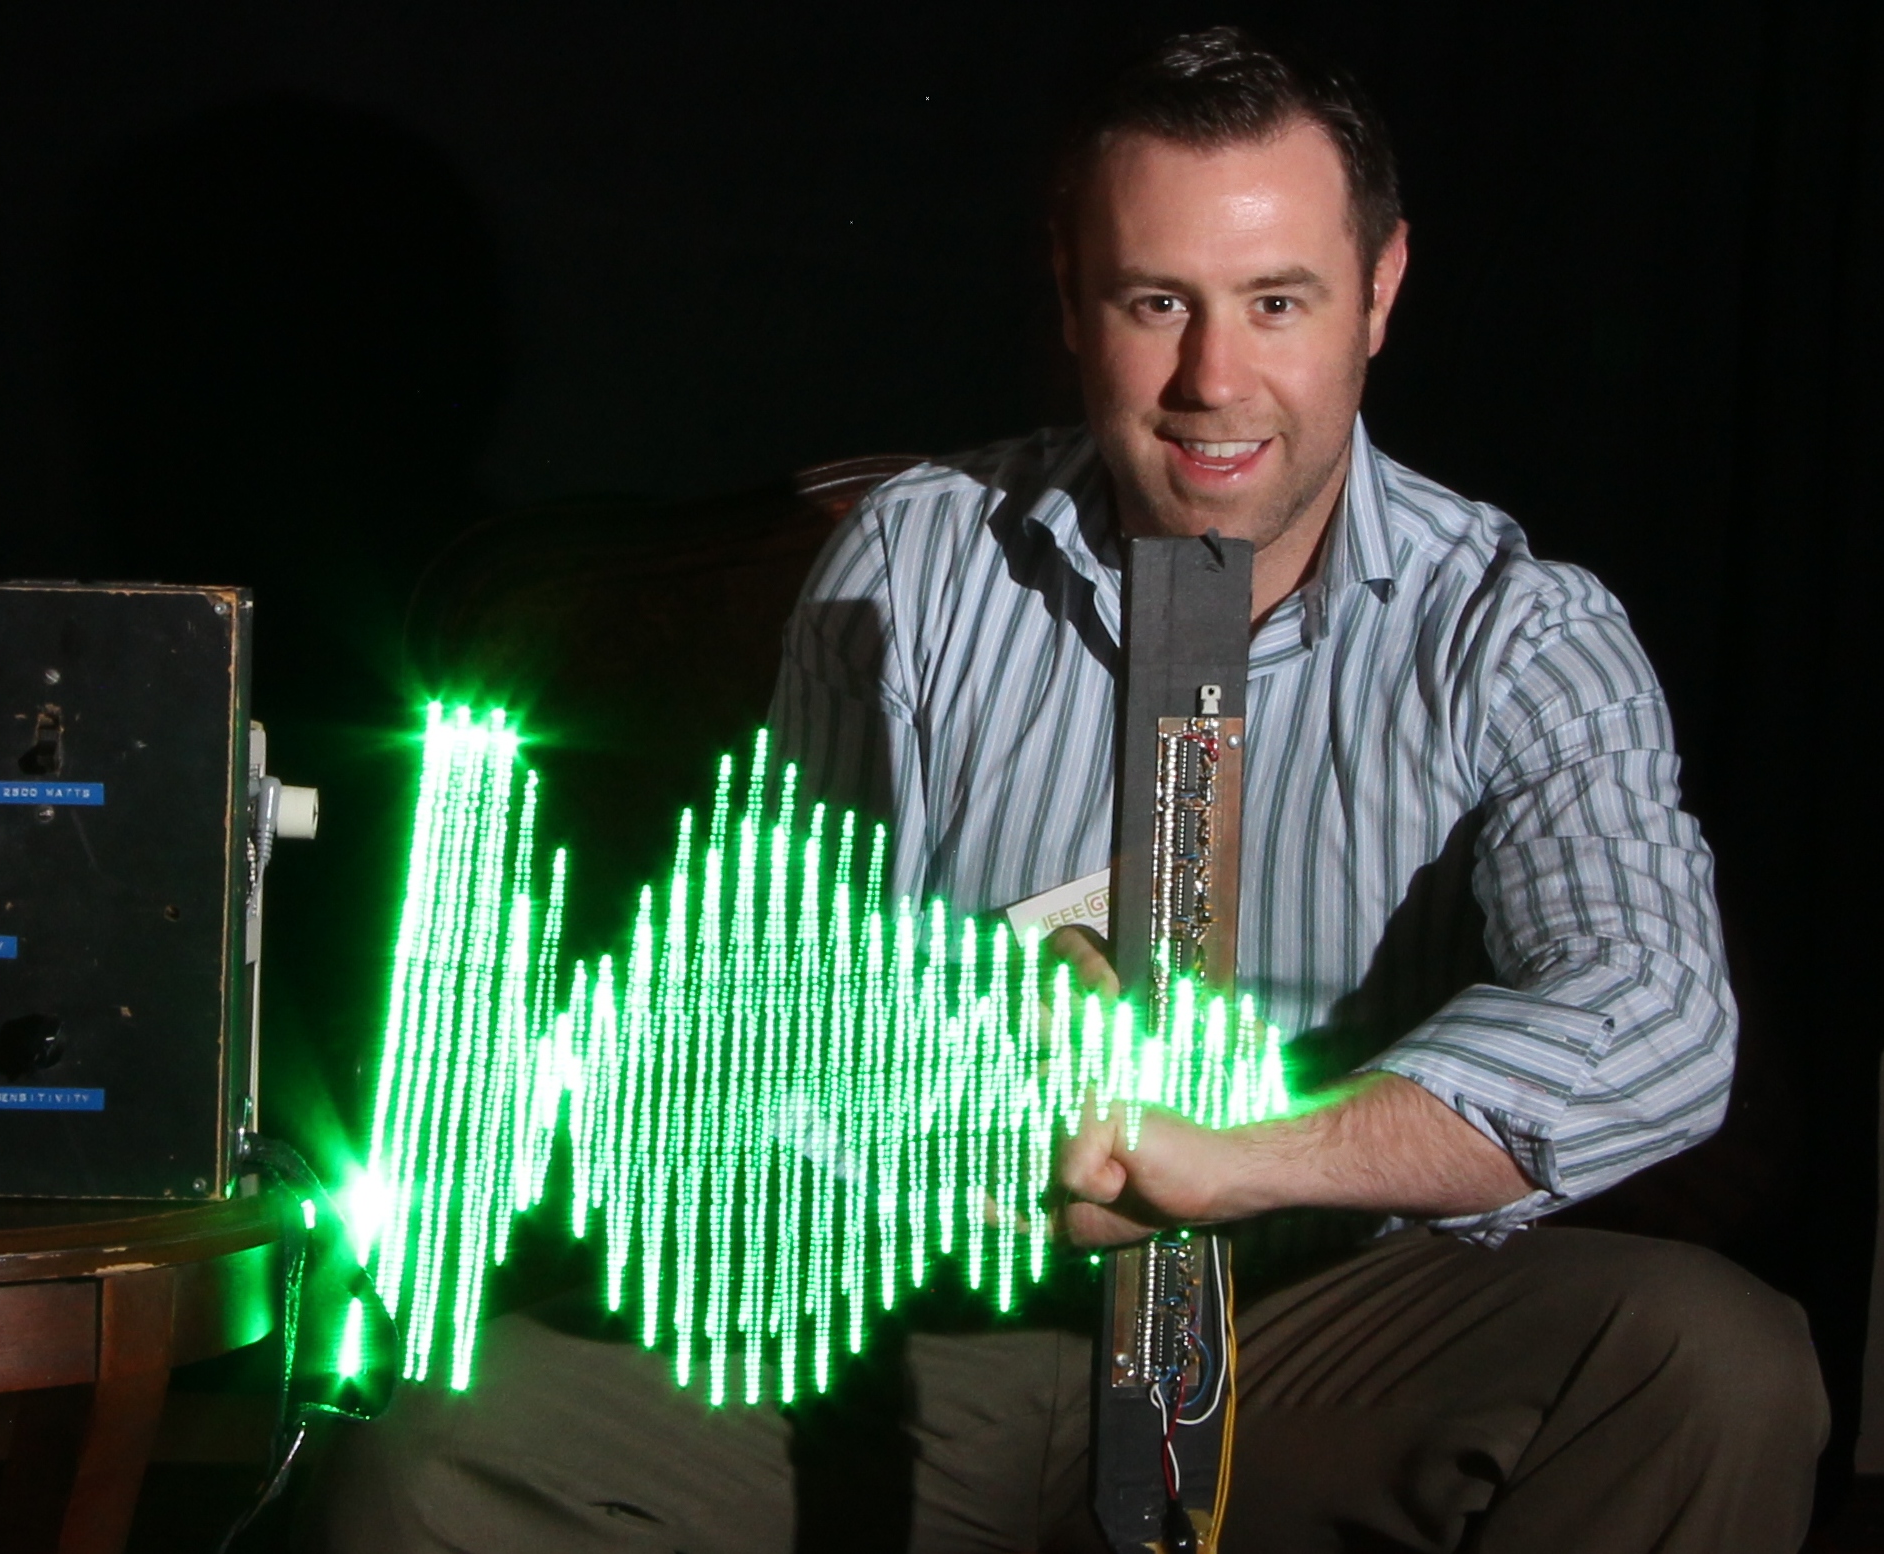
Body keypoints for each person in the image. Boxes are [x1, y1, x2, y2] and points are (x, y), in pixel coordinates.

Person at [304, 28, 1825, 1552]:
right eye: (1157, 301)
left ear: (1379, 290)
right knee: (438, 1466)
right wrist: (972, 1060)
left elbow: (1655, 1011)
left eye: (1277, 301)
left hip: (1320, 1323)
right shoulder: (915, 563)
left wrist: (1229, 1160)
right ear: (1070, 296)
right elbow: (778, 1010)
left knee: (1708, 1366)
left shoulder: (1515, 631)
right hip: (932, 1323)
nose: (1213, 380)